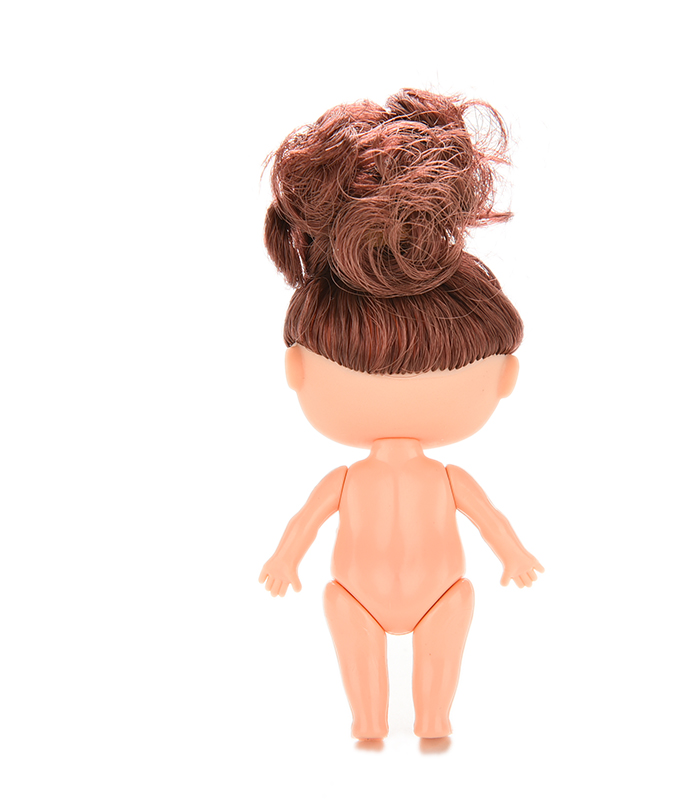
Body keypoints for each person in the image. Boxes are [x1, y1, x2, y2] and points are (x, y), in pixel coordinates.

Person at [258, 88, 544, 740]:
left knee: (448, 632)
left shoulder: (445, 480)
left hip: (443, 594)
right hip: (352, 597)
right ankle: (368, 722)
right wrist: (285, 559)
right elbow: (305, 521)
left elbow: (490, 520)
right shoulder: (352, 482)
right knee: (355, 652)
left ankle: (433, 719)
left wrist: (514, 553)